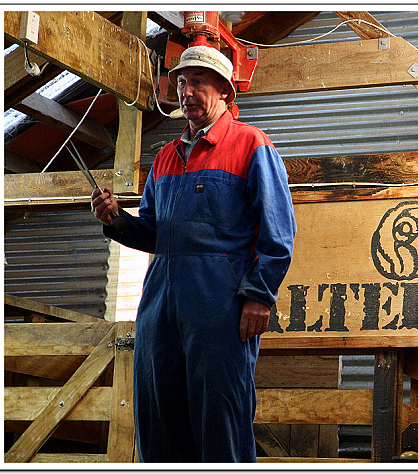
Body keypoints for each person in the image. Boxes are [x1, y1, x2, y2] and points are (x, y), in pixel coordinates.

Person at [92, 45, 296, 462]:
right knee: (158, 417)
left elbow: (278, 231)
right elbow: (154, 233)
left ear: (224, 91)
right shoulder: (166, 157)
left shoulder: (251, 144)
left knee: (219, 418)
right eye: (181, 82)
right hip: (160, 305)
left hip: (220, 306)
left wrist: (260, 296)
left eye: (198, 82)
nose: (186, 91)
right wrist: (116, 219)